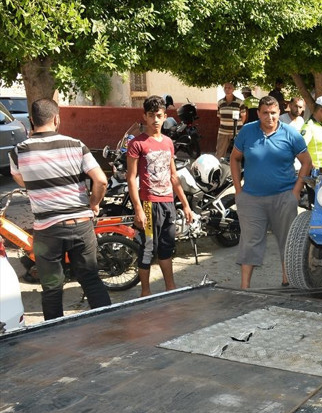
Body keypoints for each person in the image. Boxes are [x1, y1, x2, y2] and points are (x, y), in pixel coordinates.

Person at [9, 98, 112, 320]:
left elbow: (22, 181)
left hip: (47, 232)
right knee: (91, 281)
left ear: (31, 121)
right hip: (81, 226)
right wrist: (93, 204)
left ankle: (56, 340)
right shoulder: (76, 145)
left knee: (52, 288)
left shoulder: (18, 152)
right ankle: (109, 330)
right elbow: (101, 181)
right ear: (56, 119)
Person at [231, 96, 313, 288]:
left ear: (279, 113)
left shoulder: (291, 134)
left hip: (284, 197)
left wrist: (295, 193)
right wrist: (238, 190)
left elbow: (306, 162)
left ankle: (287, 280)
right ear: (258, 113)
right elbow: (234, 158)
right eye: (265, 113)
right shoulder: (247, 131)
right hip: (251, 198)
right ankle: (245, 287)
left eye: (273, 113)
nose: (269, 117)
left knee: (287, 241)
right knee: (250, 242)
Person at [127, 95, 194, 297]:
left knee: (167, 247)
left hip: (168, 203)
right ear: (144, 117)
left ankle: (170, 288)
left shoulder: (167, 142)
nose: (155, 120)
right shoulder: (137, 144)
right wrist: (138, 209)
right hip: (148, 204)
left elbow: (174, 176)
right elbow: (131, 178)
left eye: (158, 115)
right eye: (151, 116)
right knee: (148, 248)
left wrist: (185, 204)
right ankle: (145, 293)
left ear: (165, 116)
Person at [216, 82, 242, 159]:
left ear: (233, 89)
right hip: (223, 131)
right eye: (225, 88)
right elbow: (219, 116)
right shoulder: (220, 102)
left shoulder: (239, 102)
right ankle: (219, 169)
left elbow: (244, 116)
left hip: (237, 132)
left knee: (238, 153)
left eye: (229, 88)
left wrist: (237, 126)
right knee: (220, 153)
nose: (227, 89)